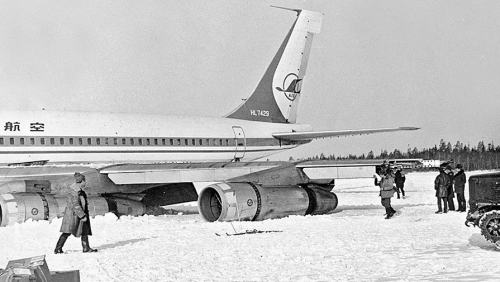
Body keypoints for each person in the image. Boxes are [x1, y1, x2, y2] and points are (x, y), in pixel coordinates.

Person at [54, 172, 97, 254]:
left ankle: (86, 248)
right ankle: (58, 249)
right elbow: (75, 205)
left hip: (77, 215)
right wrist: (82, 215)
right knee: (67, 231)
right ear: (82, 181)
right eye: (85, 181)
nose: (85, 183)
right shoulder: (74, 192)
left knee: (84, 229)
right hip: (72, 215)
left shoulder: (80, 191)